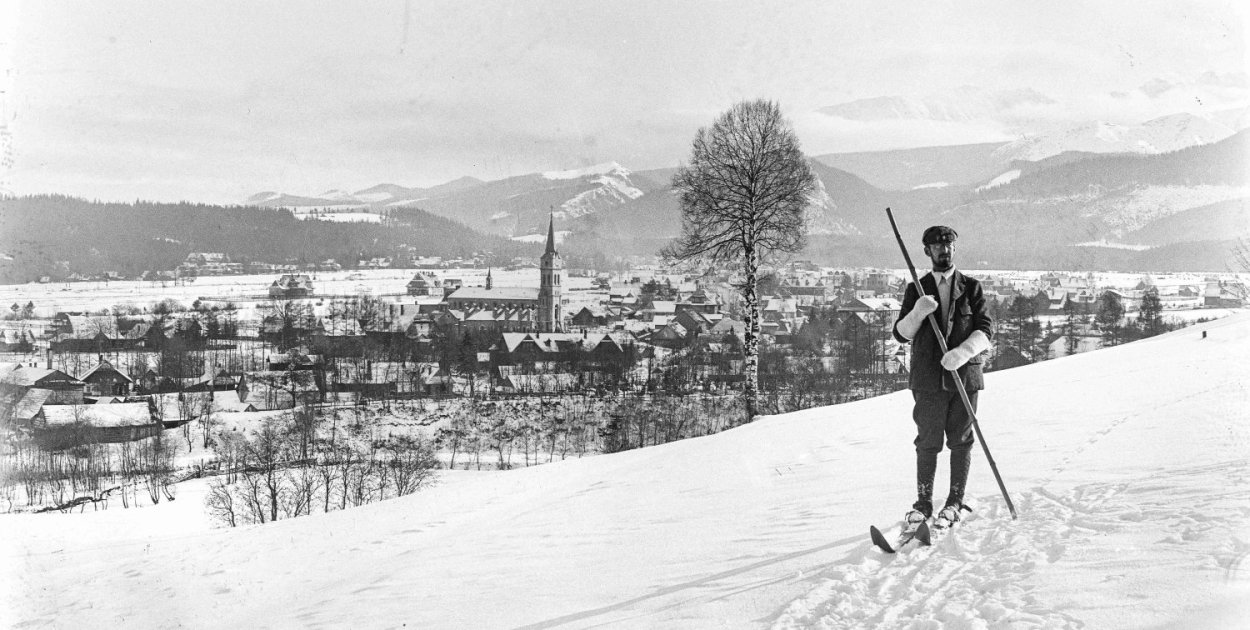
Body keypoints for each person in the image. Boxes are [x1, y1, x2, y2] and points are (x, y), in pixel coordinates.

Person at [891, 225, 993, 529]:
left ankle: (954, 501)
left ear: (954, 249)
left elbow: (985, 329)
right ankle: (922, 504)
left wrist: (962, 352)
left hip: (965, 377)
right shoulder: (916, 289)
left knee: (961, 441)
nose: (944, 251)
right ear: (927, 251)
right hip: (927, 380)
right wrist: (918, 312)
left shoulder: (972, 288)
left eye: (948, 246)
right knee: (928, 442)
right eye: (937, 247)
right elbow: (901, 334)